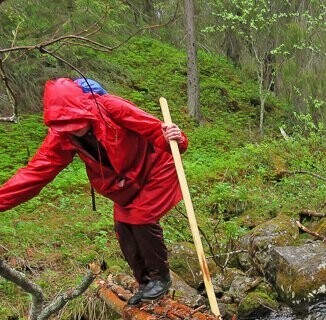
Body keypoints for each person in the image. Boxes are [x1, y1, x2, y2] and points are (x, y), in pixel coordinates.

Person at [0, 77, 188, 305]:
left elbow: (157, 132)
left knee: (140, 218)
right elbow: (35, 173)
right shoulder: (62, 136)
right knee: (123, 226)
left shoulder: (111, 107)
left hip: (156, 169)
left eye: (77, 121)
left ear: (85, 108)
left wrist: (174, 137)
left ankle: (160, 278)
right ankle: (146, 284)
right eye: (67, 125)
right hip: (124, 184)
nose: (75, 129)